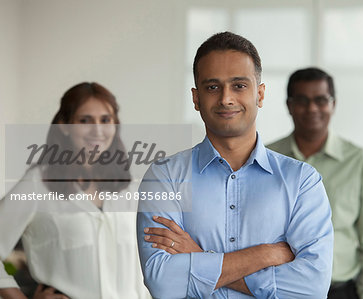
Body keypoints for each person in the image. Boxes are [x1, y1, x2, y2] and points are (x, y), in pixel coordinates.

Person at [137, 32, 333, 298]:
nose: (226, 98)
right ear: (196, 99)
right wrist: (266, 254)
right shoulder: (164, 176)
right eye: (212, 87)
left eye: (239, 85)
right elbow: (163, 283)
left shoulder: (302, 182)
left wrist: (196, 257)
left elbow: (311, 289)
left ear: (260, 94)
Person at [0, 82, 151, 299]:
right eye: (84, 120)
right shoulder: (38, 183)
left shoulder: (131, 188)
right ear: (64, 126)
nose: (97, 130)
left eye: (105, 120)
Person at [267, 67, 363, 299]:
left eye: (321, 100)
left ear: (333, 104)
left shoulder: (359, 162)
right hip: (276, 290)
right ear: (289, 106)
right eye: (302, 100)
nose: (312, 108)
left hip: (340, 291)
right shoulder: (266, 160)